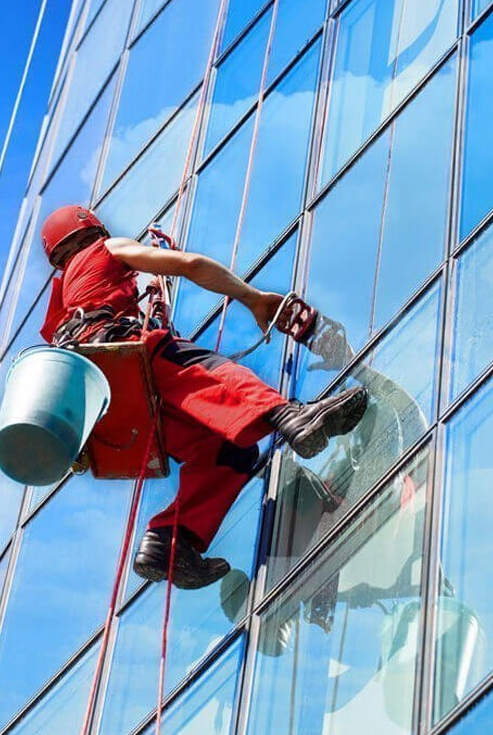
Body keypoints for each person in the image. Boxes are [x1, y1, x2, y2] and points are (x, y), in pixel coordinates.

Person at [37, 205, 368, 590]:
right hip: (119, 354)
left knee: (227, 453)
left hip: (109, 408)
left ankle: (171, 542)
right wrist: (252, 298)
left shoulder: (63, 300)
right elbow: (191, 264)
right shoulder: (107, 250)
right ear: (91, 230)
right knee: (211, 372)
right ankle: (293, 417)